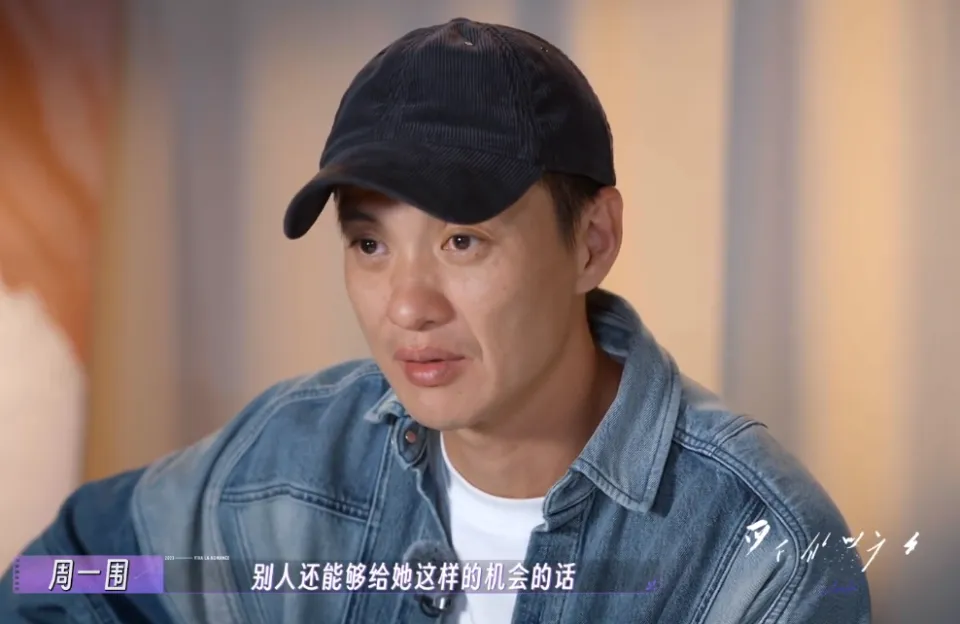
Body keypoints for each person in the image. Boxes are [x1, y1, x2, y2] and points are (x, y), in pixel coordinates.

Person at [1, 18, 870, 624]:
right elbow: (57, 581)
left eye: (462, 241)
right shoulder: (294, 455)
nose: (408, 306)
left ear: (592, 241)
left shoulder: (763, 553)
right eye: (370, 244)